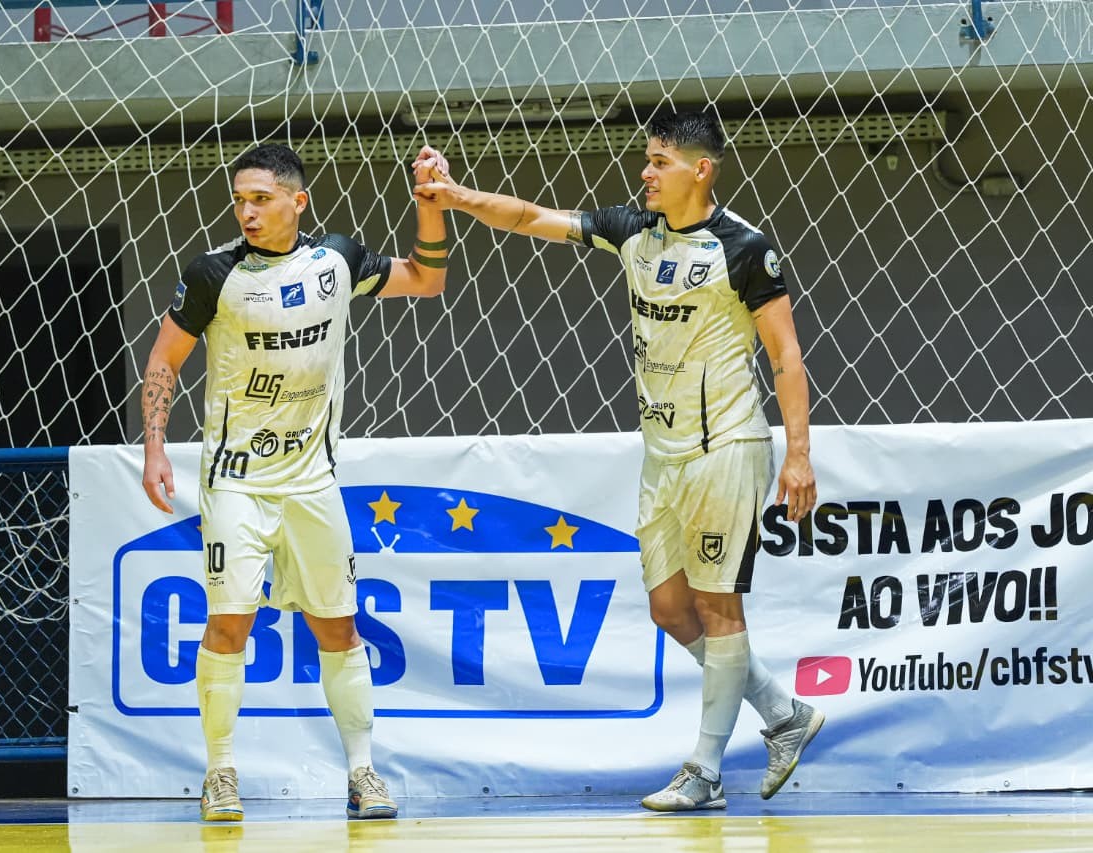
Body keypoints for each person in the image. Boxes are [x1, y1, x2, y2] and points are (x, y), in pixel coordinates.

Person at [415, 110, 823, 812]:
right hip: (660, 456)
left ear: (701, 169)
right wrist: (456, 196)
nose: (645, 171)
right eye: (647, 159)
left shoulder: (746, 248)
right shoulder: (634, 232)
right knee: (670, 608)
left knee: (718, 606)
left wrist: (800, 456)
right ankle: (785, 713)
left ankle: (705, 770)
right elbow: (533, 217)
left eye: (660, 161)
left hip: (726, 447)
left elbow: (787, 356)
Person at [140, 142, 450, 821]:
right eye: (239, 201)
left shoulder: (334, 261)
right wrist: (155, 447)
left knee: (337, 627)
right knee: (229, 624)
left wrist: (431, 209)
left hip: (312, 482)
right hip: (237, 482)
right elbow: (165, 356)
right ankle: (220, 772)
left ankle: (363, 771)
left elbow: (427, 279)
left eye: (260, 199)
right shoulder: (212, 273)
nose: (246, 212)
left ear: (296, 201)